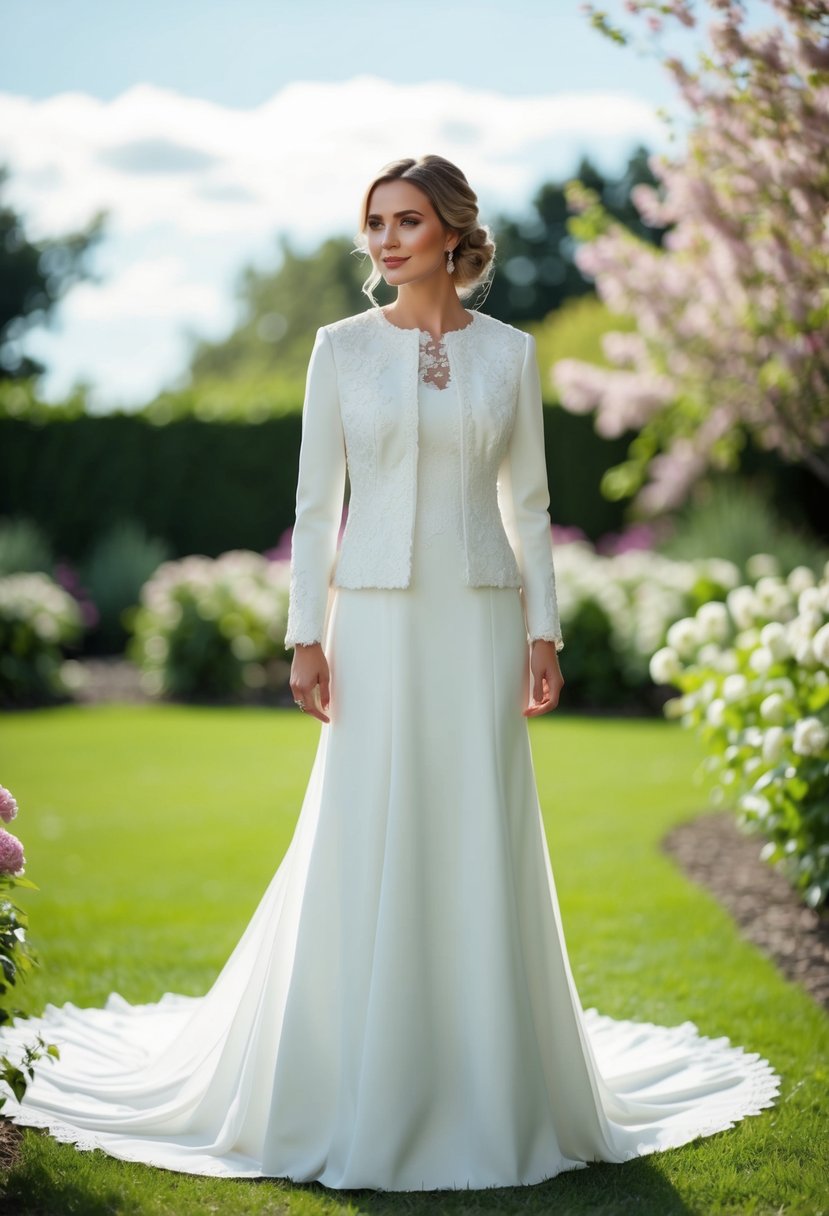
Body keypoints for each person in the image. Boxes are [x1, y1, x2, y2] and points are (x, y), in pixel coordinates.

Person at [0, 154, 780, 1193]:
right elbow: (316, 503)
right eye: (374, 222)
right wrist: (302, 634)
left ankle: (486, 1083)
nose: (386, 239)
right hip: (367, 621)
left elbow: (531, 507)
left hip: (478, 621)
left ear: (452, 233)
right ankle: (350, 1076)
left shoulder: (511, 355)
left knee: (476, 826)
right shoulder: (338, 350)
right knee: (362, 825)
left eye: (406, 220)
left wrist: (542, 633)